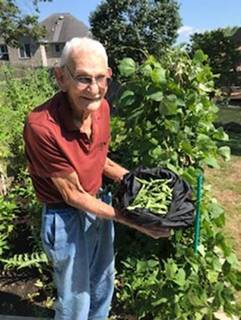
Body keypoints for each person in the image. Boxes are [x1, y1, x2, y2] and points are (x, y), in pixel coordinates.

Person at [23, 37, 169, 320]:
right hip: (65, 217)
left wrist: (141, 186)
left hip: (99, 205)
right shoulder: (41, 127)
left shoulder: (101, 108)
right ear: (61, 77)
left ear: (109, 76)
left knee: (103, 281)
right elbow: (72, 195)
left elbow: (100, 158)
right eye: (83, 79)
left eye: (100, 78)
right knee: (77, 298)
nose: (93, 89)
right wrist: (131, 219)